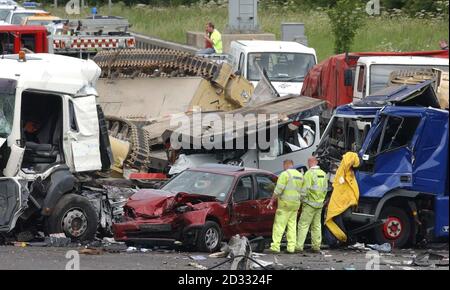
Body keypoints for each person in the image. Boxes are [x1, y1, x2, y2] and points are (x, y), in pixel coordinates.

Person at [267, 160, 304, 254]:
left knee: (279, 225)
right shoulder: (300, 176)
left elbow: (278, 189)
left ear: (285, 165)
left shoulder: (285, 174)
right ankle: (291, 247)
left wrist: (271, 201)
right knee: (292, 226)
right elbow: (303, 192)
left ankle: (275, 246)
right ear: (292, 165)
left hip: (285, 204)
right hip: (295, 204)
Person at [296, 156, 328, 253]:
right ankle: (316, 246)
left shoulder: (309, 174)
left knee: (303, 225)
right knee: (316, 225)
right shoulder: (323, 174)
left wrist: (301, 200)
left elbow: (304, 190)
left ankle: (299, 246)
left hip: (309, 204)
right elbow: (326, 189)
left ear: (309, 162)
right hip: (319, 204)